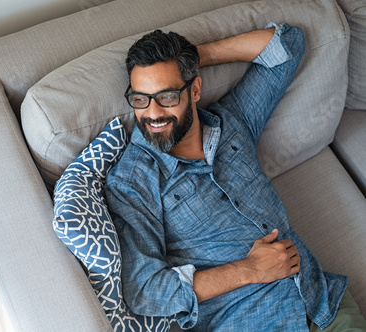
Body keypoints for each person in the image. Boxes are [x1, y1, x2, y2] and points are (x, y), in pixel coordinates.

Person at [105, 23, 366, 331]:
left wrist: (193, 55)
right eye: (140, 99)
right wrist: (249, 269)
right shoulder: (132, 181)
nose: (152, 113)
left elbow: (287, 46)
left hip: (323, 304)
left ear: (195, 89)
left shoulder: (233, 121)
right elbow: (144, 290)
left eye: (167, 96)